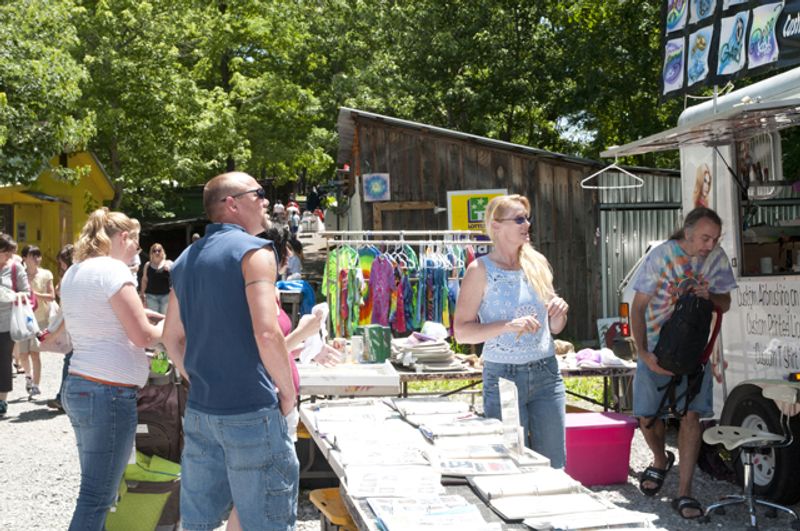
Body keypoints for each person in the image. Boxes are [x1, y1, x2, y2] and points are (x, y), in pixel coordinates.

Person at [162, 172, 298, 531]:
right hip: (251, 409)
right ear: (232, 204)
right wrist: (288, 393)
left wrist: (197, 377)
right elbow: (267, 333)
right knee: (267, 522)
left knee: (199, 523)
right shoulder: (255, 252)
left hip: (202, 411)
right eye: (260, 194)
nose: (266, 201)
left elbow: (170, 337)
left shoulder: (185, 259)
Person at [59, 209, 163, 530]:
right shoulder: (115, 270)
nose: (138, 250)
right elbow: (143, 335)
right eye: (136, 241)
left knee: (96, 490)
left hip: (80, 384)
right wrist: (174, 329)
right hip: (109, 392)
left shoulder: (75, 271)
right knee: (97, 497)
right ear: (122, 238)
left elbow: (101, 315)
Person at [631, 207, 735, 520]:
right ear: (687, 232)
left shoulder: (716, 259)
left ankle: (685, 492)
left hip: (694, 352)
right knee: (648, 416)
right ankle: (661, 460)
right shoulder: (662, 256)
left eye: (715, 239)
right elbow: (636, 309)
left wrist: (711, 296)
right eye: (705, 237)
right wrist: (645, 354)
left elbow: (725, 303)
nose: (710, 244)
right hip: (656, 349)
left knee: (691, 417)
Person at [454, 194, 569, 468]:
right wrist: (506, 326)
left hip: (547, 373)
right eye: (518, 218)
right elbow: (461, 333)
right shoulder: (479, 269)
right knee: (511, 464)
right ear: (496, 226)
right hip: (504, 377)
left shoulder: (537, 263)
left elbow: (554, 328)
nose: (526, 223)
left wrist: (559, 313)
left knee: (554, 464)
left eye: (527, 218)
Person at [17, 245, 55, 398]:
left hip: (40, 320)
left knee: (35, 353)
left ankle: (36, 385)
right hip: (22, 319)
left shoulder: (46, 274)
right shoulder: (19, 276)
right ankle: (28, 376)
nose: (37, 259)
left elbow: (51, 296)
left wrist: (34, 294)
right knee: (23, 354)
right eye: (33, 256)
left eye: (38, 256)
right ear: (24, 258)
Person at [0, 233, 30, 417]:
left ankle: (1, 400)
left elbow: (27, 292)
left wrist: (12, 296)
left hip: (6, 324)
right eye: (7, 253)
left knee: (3, 361)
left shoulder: (15, 268)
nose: (10, 258)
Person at [46, 243, 75, 411]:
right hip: (70, 323)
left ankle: (63, 398)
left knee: (70, 359)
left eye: (62, 261)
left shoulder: (72, 275)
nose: (61, 265)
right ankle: (64, 398)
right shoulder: (69, 274)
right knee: (70, 360)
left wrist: (53, 332)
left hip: (71, 323)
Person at [139, 243, 172, 314]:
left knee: (164, 318)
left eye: (159, 250)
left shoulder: (168, 263)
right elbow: (144, 280)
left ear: (162, 252)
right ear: (152, 253)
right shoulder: (147, 265)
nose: (157, 252)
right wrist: (142, 293)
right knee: (154, 318)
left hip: (165, 296)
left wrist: (170, 269)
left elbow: (177, 275)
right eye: (154, 251)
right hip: (151, 296)